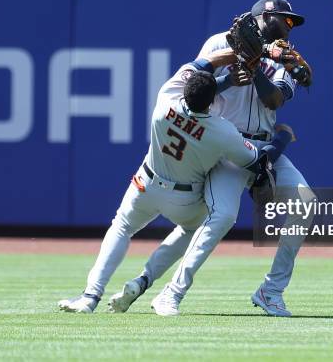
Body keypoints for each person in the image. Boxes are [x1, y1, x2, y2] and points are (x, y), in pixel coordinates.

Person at [110, 0, 316, 317]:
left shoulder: (281, 56)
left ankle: (271, 290)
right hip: (227, 146)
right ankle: (170, 294)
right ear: (265, 16)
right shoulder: (220, 43)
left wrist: (256, 67)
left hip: (262, 144)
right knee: (222, 217)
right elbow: (197, 90)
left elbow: (274, 100)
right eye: (286, 20)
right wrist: (240, 64)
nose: (290, 28)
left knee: (306, 203)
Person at [58, 47, 294, 313]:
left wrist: (227, 71)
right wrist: (282, 137)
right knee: (192, 231)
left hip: (145, 183)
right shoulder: (222, 131)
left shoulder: (166, 96)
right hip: (184, 197)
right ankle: (146, 279)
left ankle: (90, 296)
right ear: (212, 102)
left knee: (121, 228)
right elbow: (256, 163)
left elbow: (201, 64)